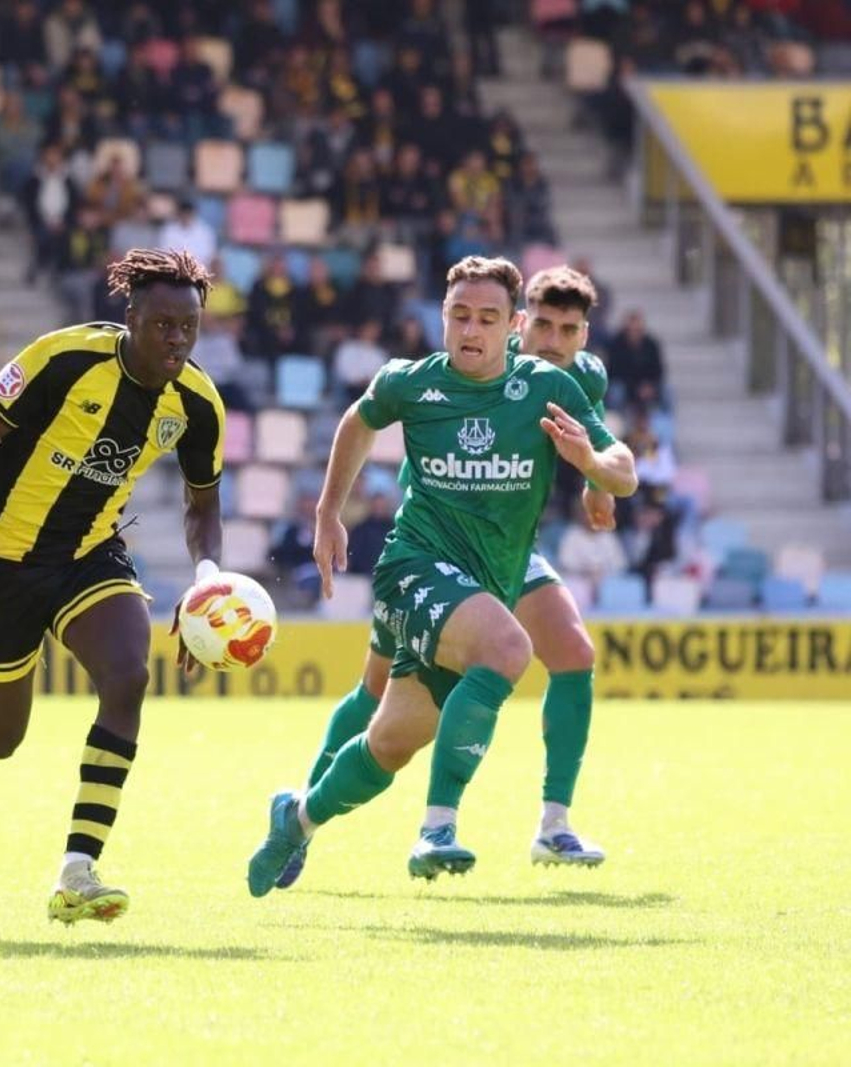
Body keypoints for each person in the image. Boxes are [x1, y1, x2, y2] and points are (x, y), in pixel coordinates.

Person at [246, 256, 637, 895]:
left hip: (495, 569)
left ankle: (299, 815)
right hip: (416, 566)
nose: (470, 330)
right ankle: (438, 828)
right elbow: (358, 420)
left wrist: (591, 463)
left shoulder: (555, 388)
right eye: (459, 316)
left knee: (390, 745)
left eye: (486, 318)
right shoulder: (411, 383)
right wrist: (327, 515)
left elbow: (623, 469)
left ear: (509, 327)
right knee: (509, 647)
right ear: (443, 319)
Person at [0, 249, 226, 924]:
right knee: (1, 740)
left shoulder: (198, 403)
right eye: (162, 325)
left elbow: (203, 502)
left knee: (128, 675)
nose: (176, 340)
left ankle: (78, 868)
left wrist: (207, 575)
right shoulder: (66, 358)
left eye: (189, 327)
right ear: (132, 318)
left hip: (89, 556)